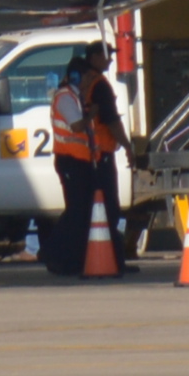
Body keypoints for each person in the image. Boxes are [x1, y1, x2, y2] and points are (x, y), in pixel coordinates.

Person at [46, 46, 128, 276]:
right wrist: (92, 114)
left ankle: (72, 258)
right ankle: (55, 253)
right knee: (77, 211)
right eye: (86, 78)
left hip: (81, 161)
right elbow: (77, 126)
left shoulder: (75, 97)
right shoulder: (65, 98)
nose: (89, 83)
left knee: (82, 211)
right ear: (75, 77)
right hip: (71, 161)